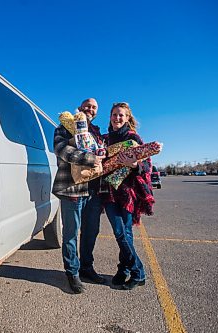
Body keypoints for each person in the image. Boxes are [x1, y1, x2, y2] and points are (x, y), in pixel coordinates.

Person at [100, 102, 158, 290]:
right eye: (114, 114)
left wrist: (135, 165)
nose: (117, 118)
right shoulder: (105, 139)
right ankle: (124, 270)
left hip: (127, 193)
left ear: (127, 118)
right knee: (122, 233)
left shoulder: (133, 137)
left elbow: (147, 166)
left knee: (123, 233)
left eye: (121, 115)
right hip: (108, 192)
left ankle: (137, 272)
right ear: (110, 116)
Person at [52, 98, 106, 294]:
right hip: (72, 188)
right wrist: (90, 158)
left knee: (90, 232)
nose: (90, 109)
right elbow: (61, 150)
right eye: (87, 106)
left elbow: (104, 153)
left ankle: (86, 268)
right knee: (71, 234)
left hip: (94, 190)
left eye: (94, 107)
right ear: (80, 108)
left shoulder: (97, 132)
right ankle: (72, 273)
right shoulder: (65, 127)